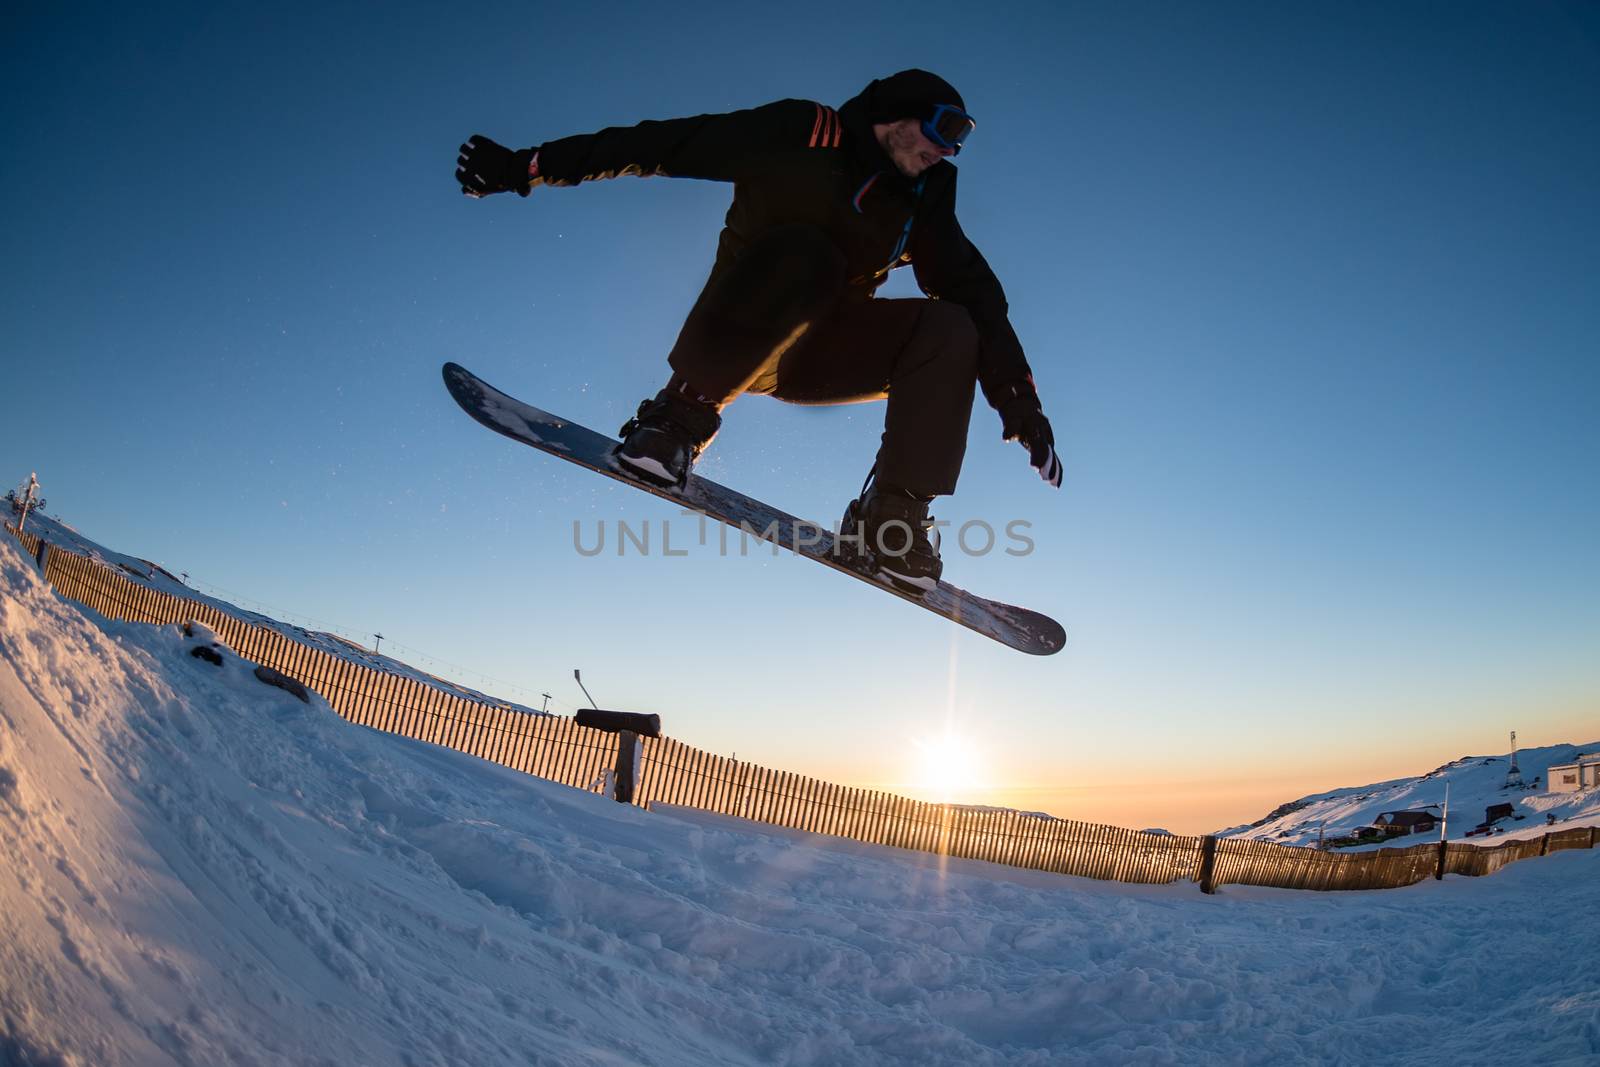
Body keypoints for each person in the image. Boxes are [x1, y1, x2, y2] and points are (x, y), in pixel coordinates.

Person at [455, 69, 1061, 593]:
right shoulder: (801, 133)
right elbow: (666, 144)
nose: (948, 151)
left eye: (960, 142)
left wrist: (1019, 399)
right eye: (943, 131)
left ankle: (893, 518)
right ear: (897, 115)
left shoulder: (922, 201)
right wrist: (527, 167)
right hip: (742, 333)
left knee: (952, 324)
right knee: (807, 253)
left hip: (821, 356)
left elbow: (978, 296)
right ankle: (675, 420)